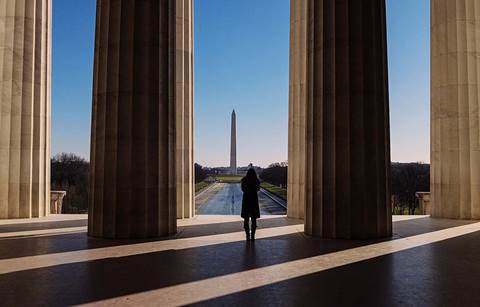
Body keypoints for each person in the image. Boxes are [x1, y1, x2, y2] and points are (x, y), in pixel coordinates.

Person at [241, 168, 260, 241]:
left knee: (246, 219)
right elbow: (258, 189)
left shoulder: (244, 180)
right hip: (254, 200)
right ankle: (253, 236)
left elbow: (243, 189)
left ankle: (247, 236)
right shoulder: (256, 180)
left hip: (246, 200)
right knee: (254, 219)